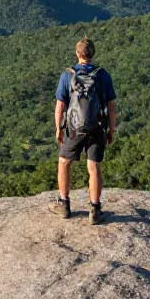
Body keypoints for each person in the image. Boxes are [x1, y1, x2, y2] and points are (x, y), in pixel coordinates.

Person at [49, 37, 117, 224]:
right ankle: (95, 210)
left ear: (77, 54)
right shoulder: (103, 75)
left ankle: (64, 204)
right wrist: (112, 129)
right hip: (97, 127)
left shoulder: (67, 75)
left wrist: (58, 128)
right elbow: (111, 107)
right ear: (93, 54)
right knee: (93, 167)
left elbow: (60, 106)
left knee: (64, 162)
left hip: (74, 128)